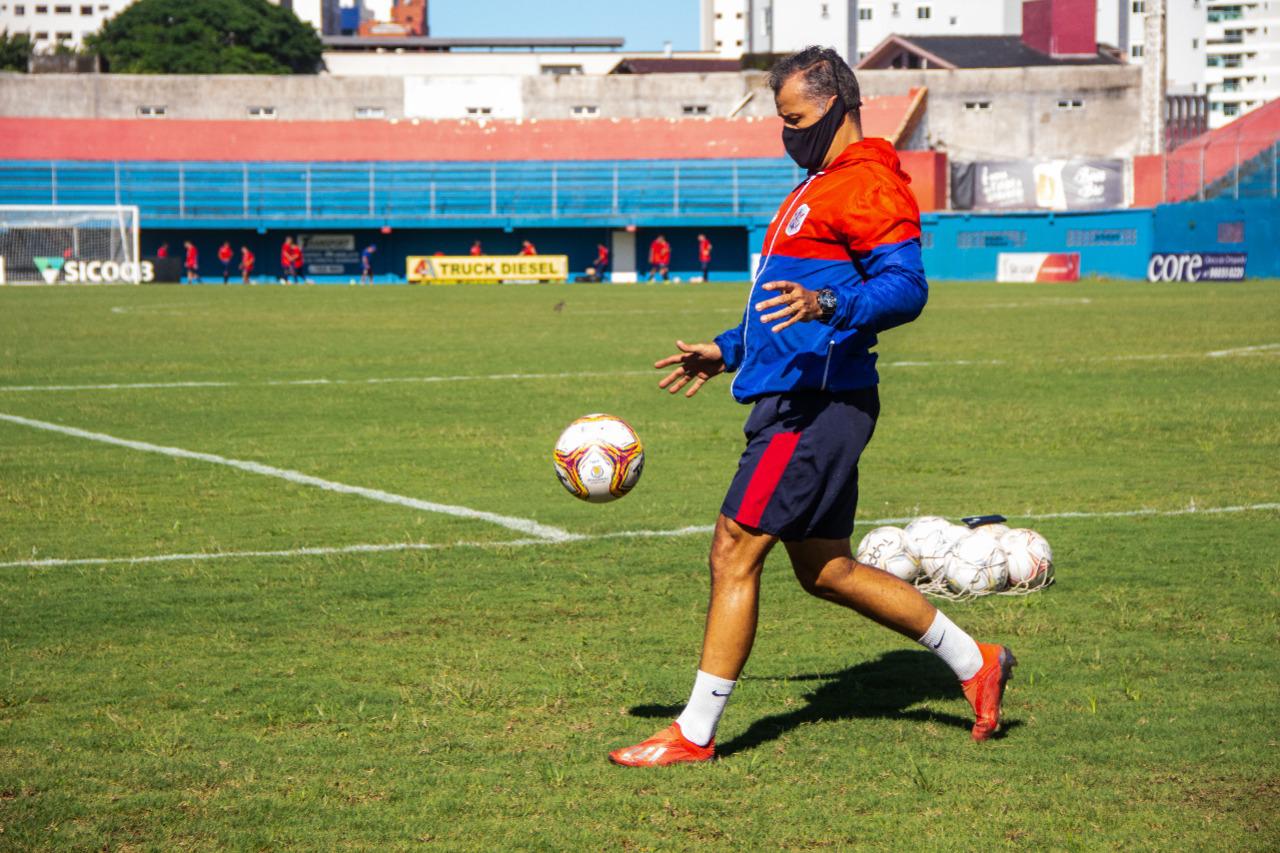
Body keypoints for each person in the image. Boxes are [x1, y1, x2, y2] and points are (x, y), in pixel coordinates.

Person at [609, 46, 1015, 768]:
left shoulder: (866, 186)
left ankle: (694, 733)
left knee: (734, 547)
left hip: (815, 407)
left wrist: (831, 302)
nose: (785, 131)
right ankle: (977, 660)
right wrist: (728, 347)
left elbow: (907, 287)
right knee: (825, 569)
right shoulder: (815, 185)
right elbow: (783, 308)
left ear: (834, 106)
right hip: (798, 395)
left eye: (793, 118)